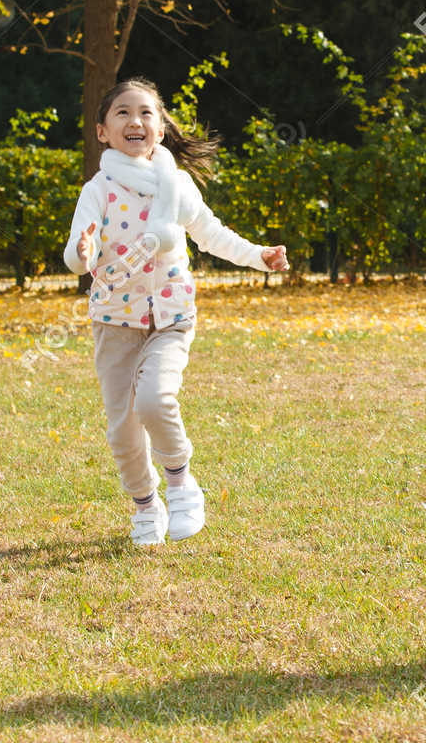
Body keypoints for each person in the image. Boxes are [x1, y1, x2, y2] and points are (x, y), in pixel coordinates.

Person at [64, 77, 289, 546]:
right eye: (122, 113)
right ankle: (146, 506)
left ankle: (182, 483)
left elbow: (212, 234)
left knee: (155, 400)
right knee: (122, 429)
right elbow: (75, 254)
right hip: (114, 323)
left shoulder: (177, 185)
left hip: (171, 316)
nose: (136, 121)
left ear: (161, 129)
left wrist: (258, 255)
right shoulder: (98, 189)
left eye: (147, 113)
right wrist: (83, 252)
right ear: (102, 131)